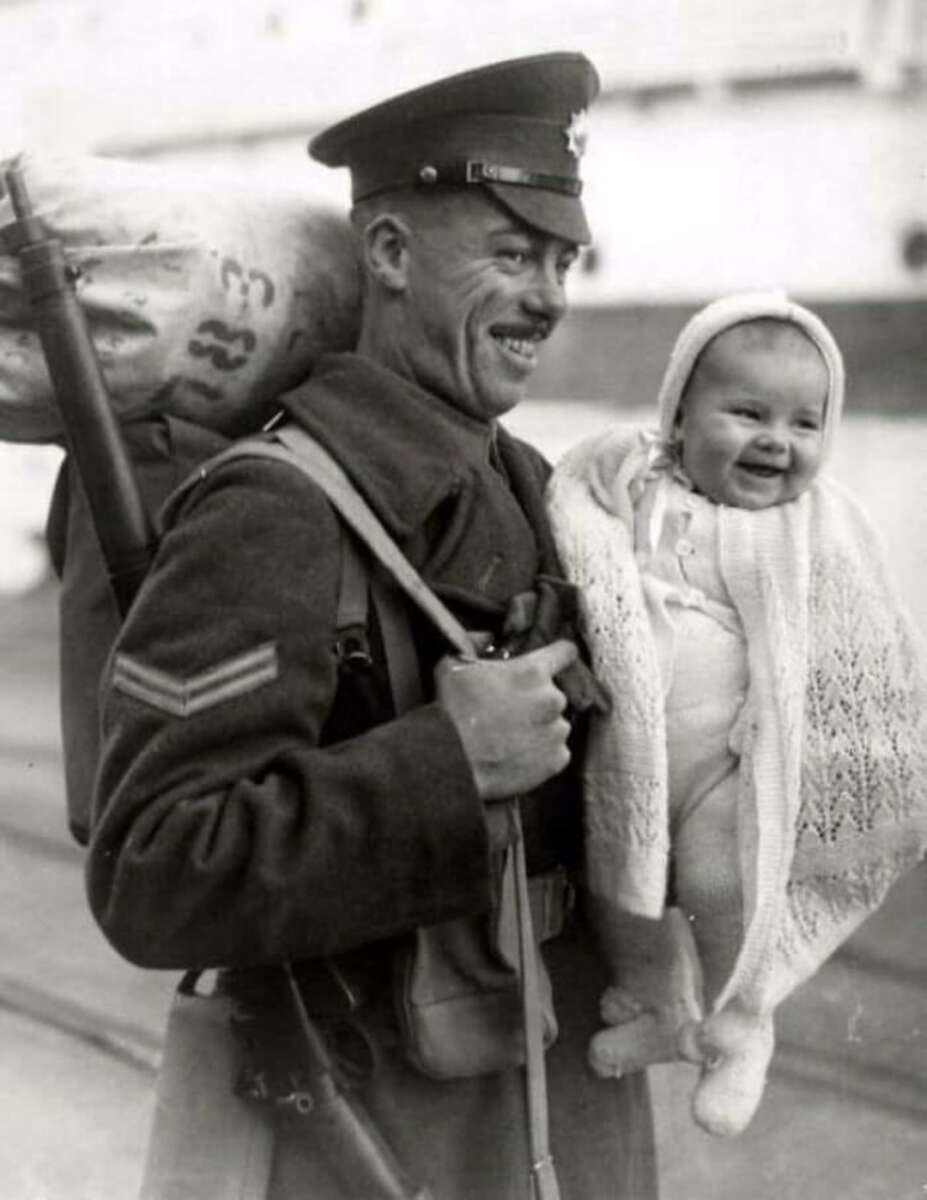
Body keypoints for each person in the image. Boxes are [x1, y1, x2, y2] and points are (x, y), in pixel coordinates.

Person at [85, 53, 658, 1200]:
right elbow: (151, 869)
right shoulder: (277, 508)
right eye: (509, 253)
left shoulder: (535, 484)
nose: (548, 295)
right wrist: (449, 765)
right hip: (388, 1126)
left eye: (560, 260)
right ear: (388, 255)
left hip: (561, 1085)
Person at [547, 291, 927, 1138]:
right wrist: (604, 472)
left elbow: (855, 644)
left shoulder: (813, 529)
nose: (774, 441)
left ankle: (743, 1023)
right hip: (632, 757)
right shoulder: (638, 486)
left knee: (719, 881)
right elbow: (577, 498)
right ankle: (656, 1005)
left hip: (731, 763)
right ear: (678, 417)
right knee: (623, 894)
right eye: (746, 412)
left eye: (803, 424)